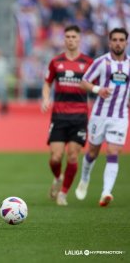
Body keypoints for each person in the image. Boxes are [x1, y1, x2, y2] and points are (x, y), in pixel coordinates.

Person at [75, 27, 130, 207]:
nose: (118, 43)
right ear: (109, 41)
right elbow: (84, 82)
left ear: (126, 42)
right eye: (115, 40)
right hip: (99, 115)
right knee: (92, 152)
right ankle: (85, 178)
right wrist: (99, 89)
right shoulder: (101, 62)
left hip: (120, 117)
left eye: (121, 40)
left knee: (113, 152)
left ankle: (106, 192)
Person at [41, 25, 93, 206]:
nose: (71, 39)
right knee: (55, 158)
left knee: (72, 156)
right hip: (59, 116)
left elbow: (98, 85)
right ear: (64, 39)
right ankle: (58, 177)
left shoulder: (88, 63)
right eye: (68, 37)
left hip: (79, 117)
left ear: (79, 39)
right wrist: (46, 98)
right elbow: (47, 83)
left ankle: (63, 193)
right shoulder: (56, 62)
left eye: (74, 37)